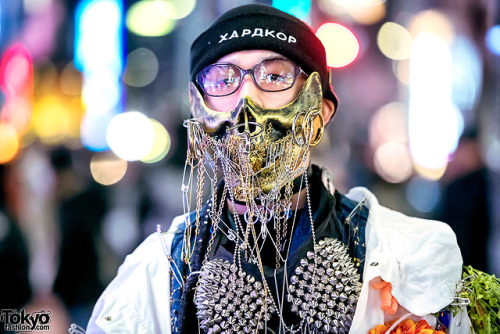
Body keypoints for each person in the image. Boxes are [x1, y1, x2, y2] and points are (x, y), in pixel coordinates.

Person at [86, 4, 474, 333]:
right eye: (223, 80)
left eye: (273, 76)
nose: (246, 103)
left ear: (319, 112)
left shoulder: (409, 255)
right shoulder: (153, 276)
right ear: (198, 110)